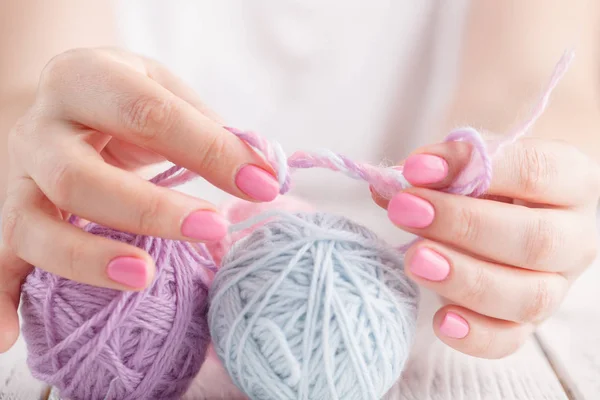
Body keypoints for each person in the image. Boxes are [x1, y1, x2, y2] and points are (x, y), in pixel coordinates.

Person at [0, 0, 599, 370]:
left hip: (394, 294)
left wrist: (513, 183)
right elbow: (31, 87)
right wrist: (32, 151)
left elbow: (531, 83)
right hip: (138, 251)